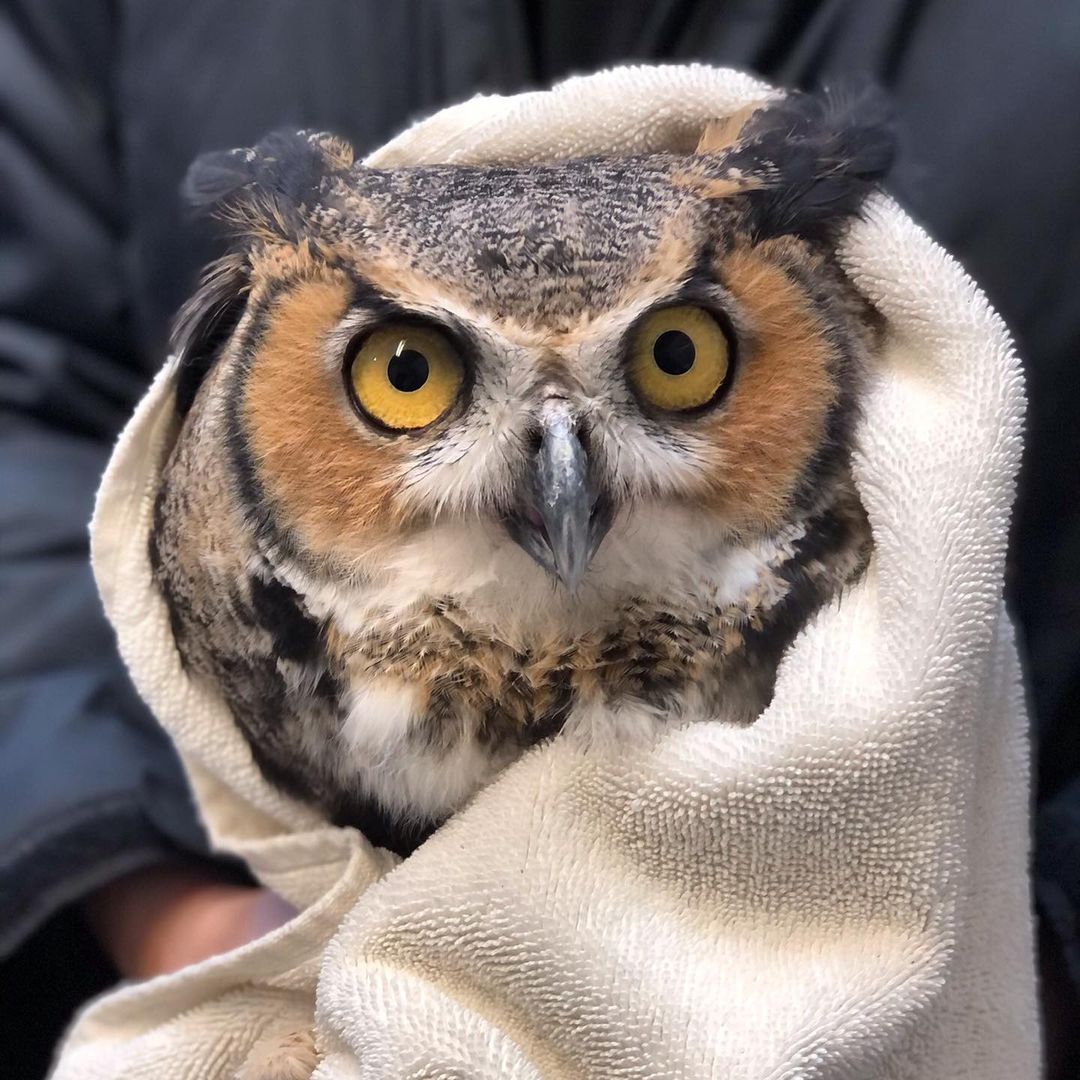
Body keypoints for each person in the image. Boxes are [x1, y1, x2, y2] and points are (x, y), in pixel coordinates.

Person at [2, 2, 1078, 1075]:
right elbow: (23, 394)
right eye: (407, 375)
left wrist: (1006, 963)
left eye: (677, 359)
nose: (561, 478)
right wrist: (177, 918)